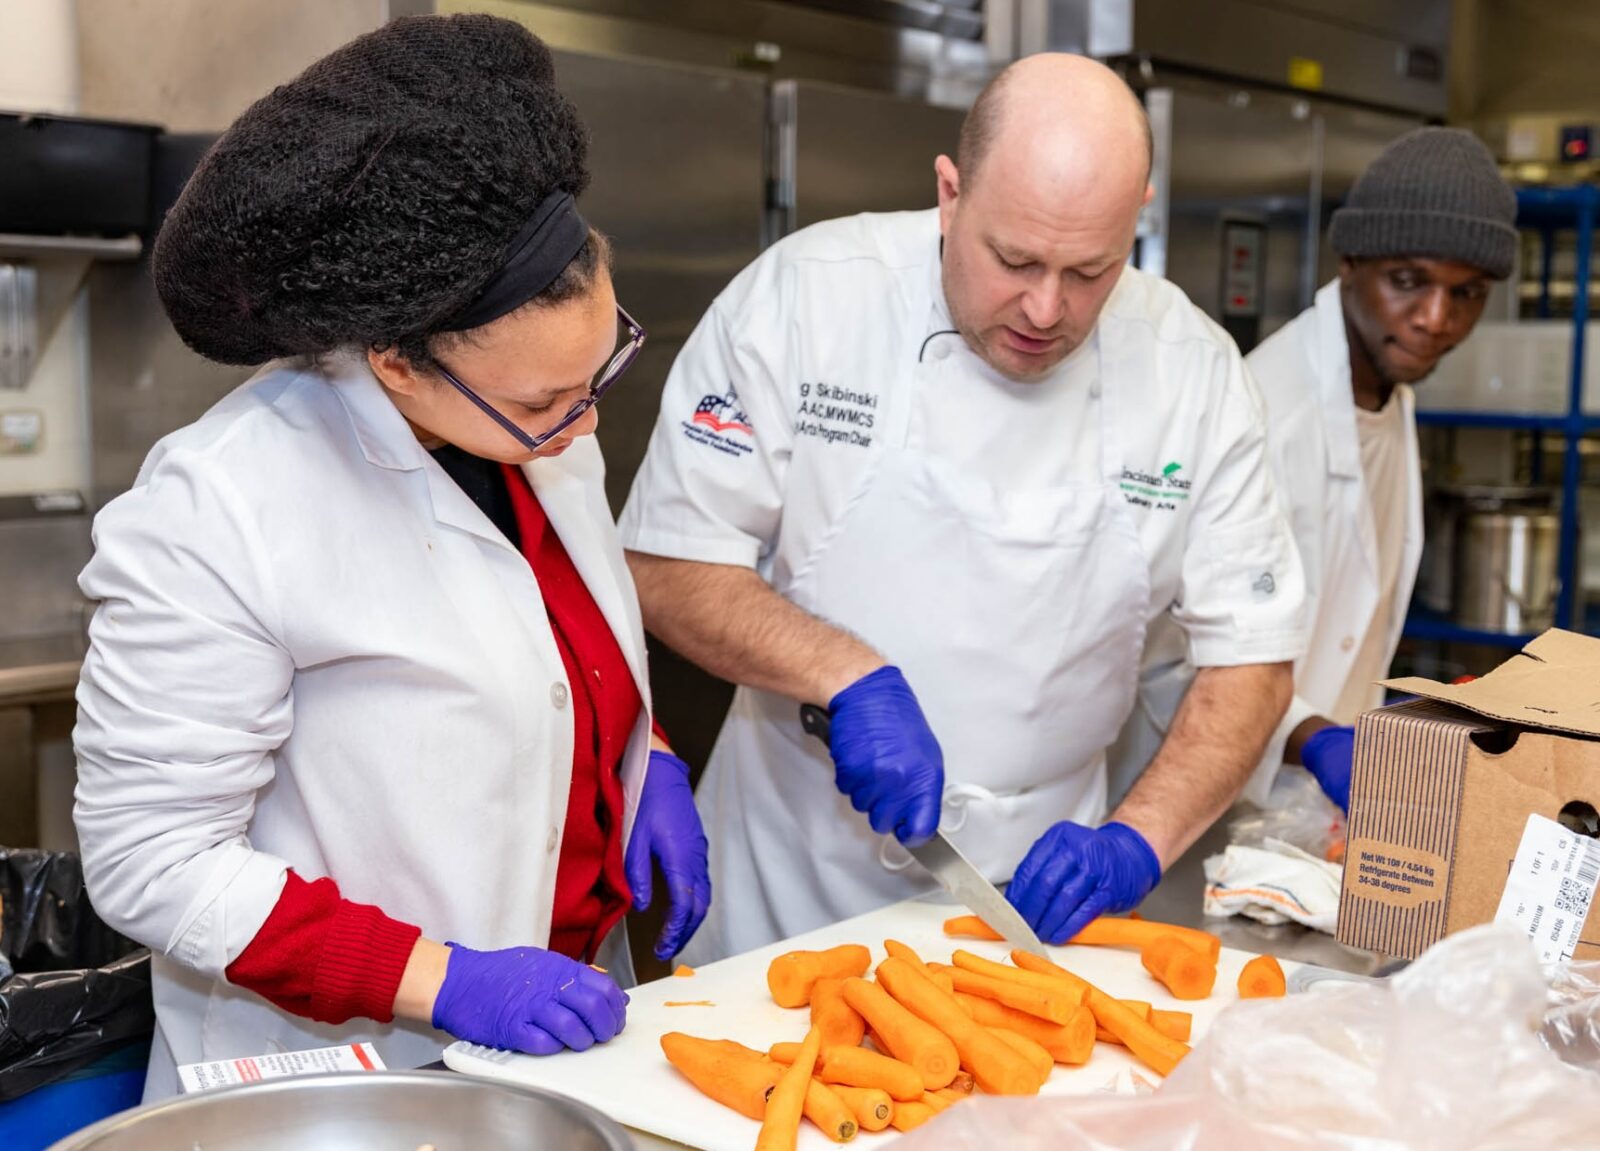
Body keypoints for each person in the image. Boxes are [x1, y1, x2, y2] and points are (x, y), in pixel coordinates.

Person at [71, 15, 710, 1099]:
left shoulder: (536, 438)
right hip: (349, 1078)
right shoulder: (223, 502)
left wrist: (642, 764)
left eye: (601, 372)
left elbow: (550, 657)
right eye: (544, 402)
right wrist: (439, 976)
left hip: (568, 1039)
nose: (583, 428)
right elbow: (151, 859)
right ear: (395, 364)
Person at [617, 53, 1307, 962]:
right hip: (792, 894)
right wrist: (844, 671)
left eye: (1091, 272)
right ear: (950, 193)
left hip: (1040, 913)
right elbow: (666, 564)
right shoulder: (807, 300)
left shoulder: (1194, 369)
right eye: (1013, 258)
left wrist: (1139, 838)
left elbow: (1251, 659)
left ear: (1137, 219)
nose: (1046, 306)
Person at [1108, 128, 1515, 813]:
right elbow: (1172, 652)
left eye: (1467, 293)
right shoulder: (1265, 410)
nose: (1436, 319)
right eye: (1408, 281)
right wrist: (1315, 736)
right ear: (1350, 262)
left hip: (1305, 817)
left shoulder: (1388, 398)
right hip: (1206, 811)